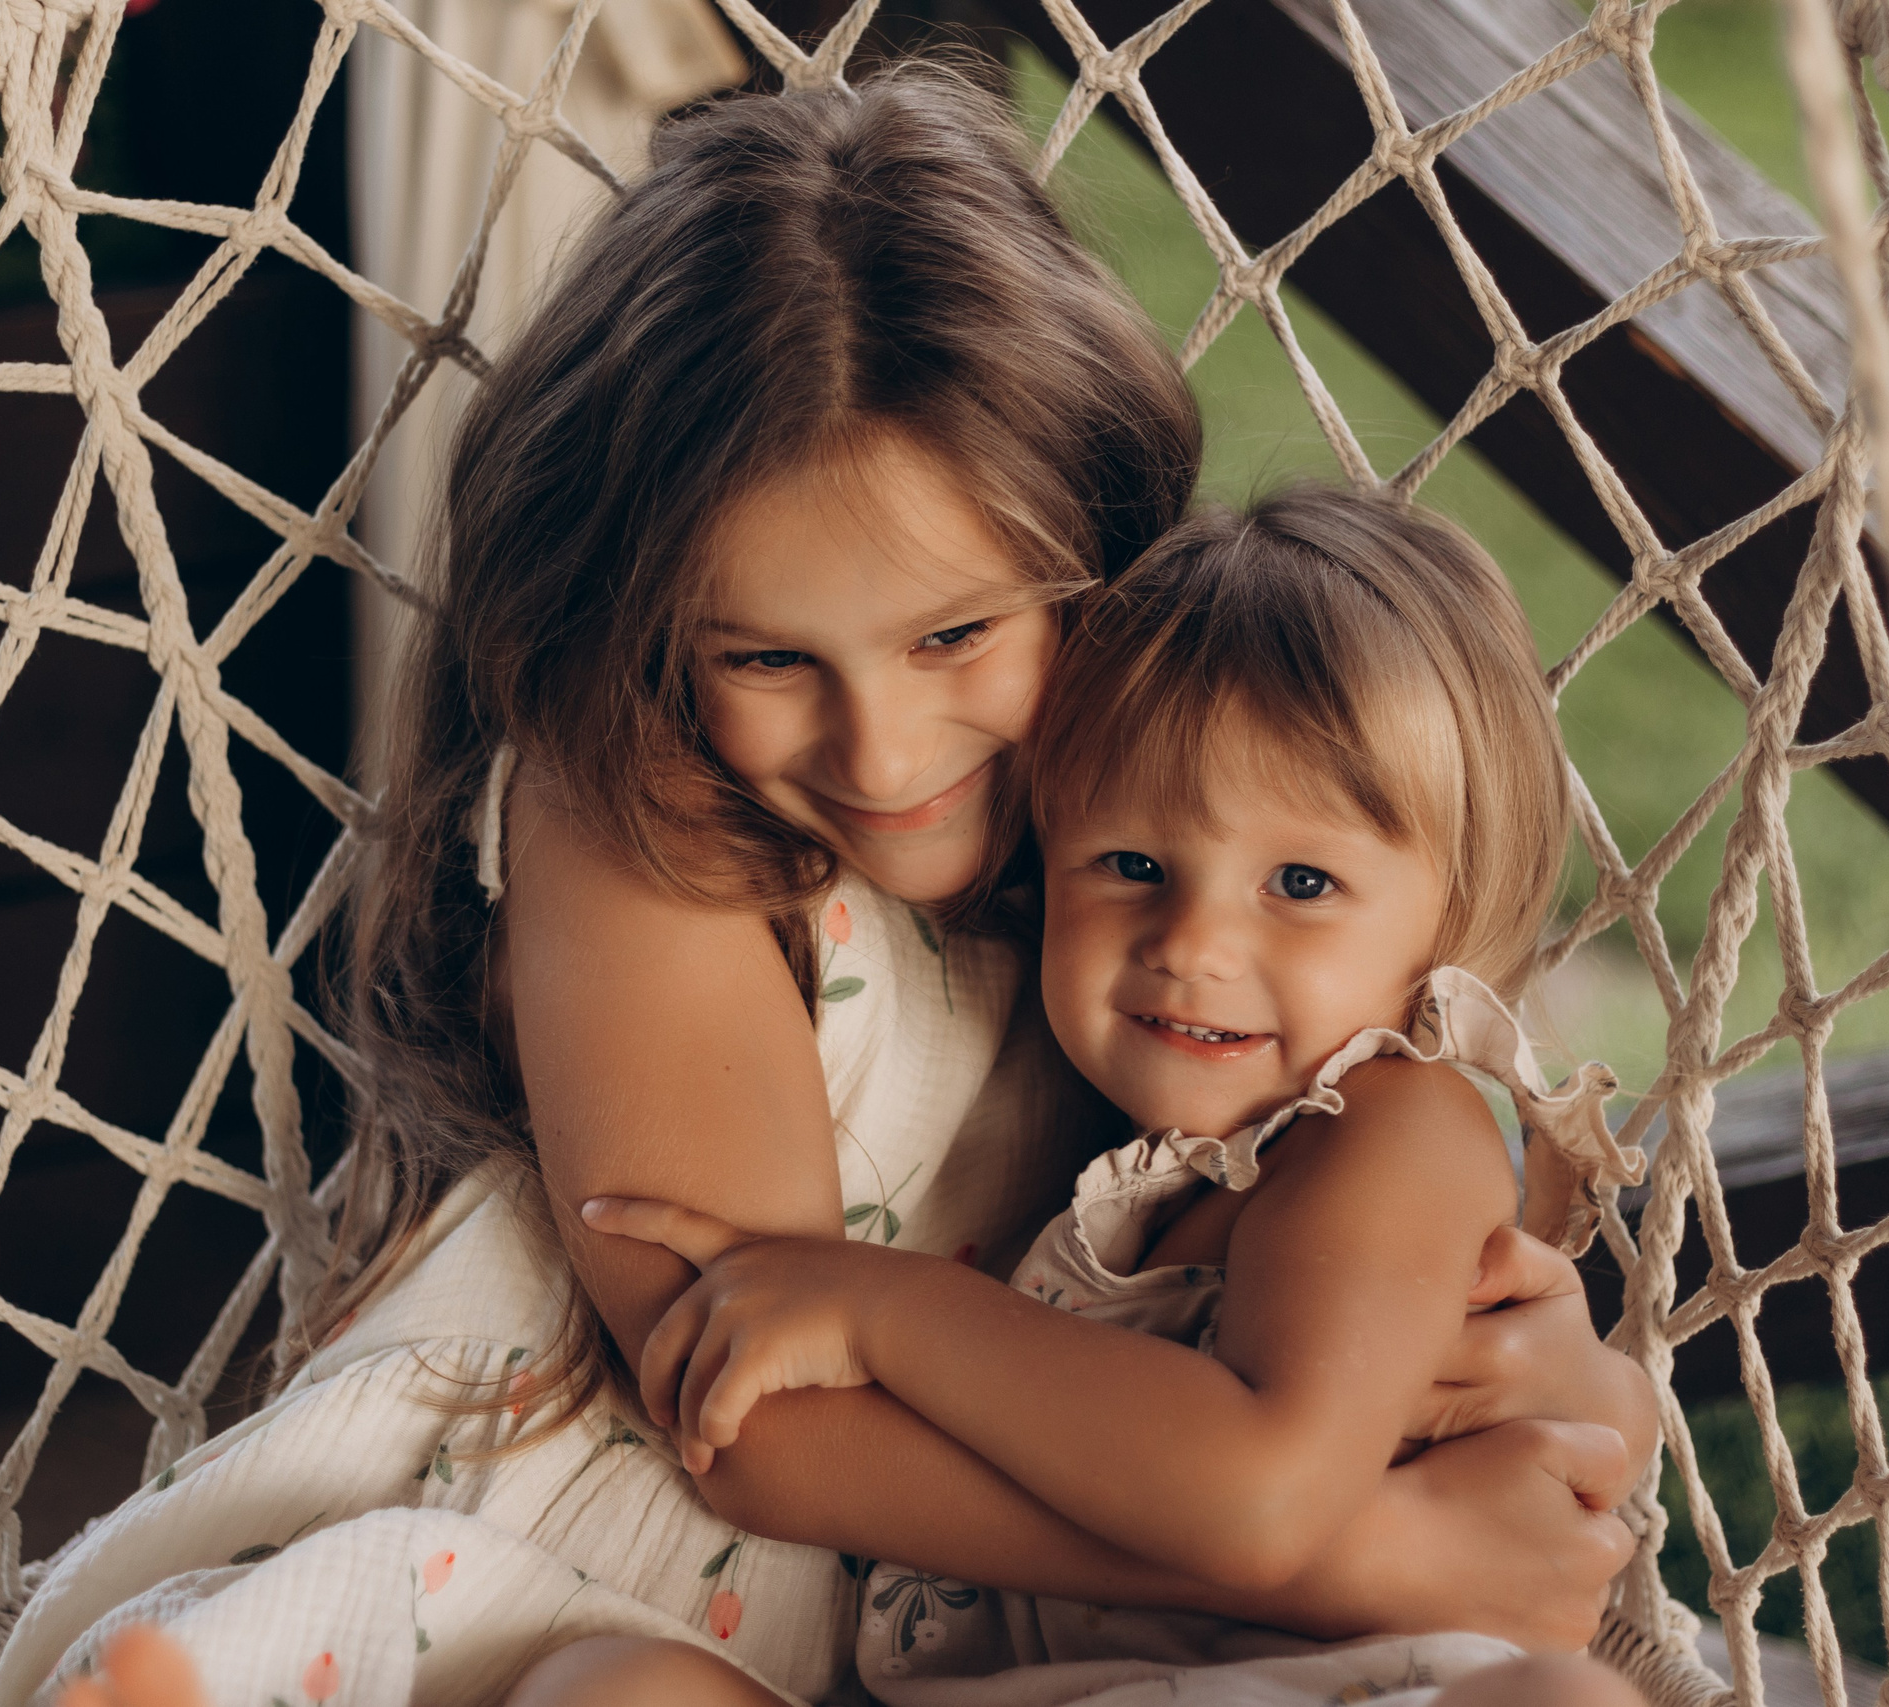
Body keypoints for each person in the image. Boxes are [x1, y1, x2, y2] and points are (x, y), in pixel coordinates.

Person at [0, 70, 1651, 1707]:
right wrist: (1368, 1551)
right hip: (594, 1542)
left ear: (1097, 560)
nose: (884, 738)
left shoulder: (1170, 831)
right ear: (646, 631)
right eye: (770, 654)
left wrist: (1558, 1385)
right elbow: (758, 1420)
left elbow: (1410, 1254)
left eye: (957, 636)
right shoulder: (642, 811)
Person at [578, 489, 1658, 1707]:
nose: (1190, 942)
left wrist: (881, 1310)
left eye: (1301, 882)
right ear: (1046, 870)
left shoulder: (1396, 1129)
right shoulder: (1161, 1175)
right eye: (1132, 866)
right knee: (611, 1688)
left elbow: (1262, 1498)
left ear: (1448, 921)